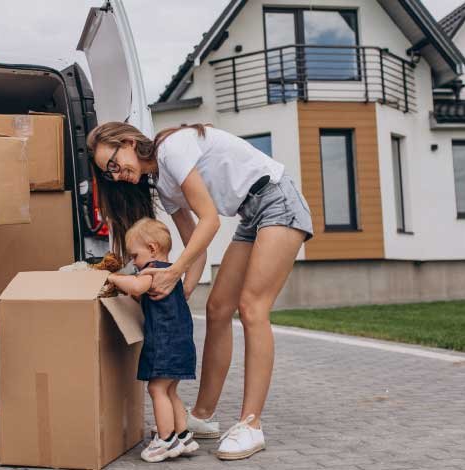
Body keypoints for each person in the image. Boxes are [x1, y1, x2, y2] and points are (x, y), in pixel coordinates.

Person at [86, 122, 313, 460]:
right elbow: (197, 244)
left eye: (115, 164)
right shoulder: (162, 185)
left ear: (129, 142)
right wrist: (180, 292)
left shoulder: (172, 149)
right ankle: (203, 417)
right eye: (109, 173)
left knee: (252, 307)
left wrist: (174, 272)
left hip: (277, 200)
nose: (117, 175)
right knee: (218, 308)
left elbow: (210, 221)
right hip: (251, 215)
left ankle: (251, 425)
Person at [107, 218, 199, 463]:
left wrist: (114, 279)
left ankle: (166, 440)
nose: (133, 263)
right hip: (181, 344)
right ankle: (184, 436)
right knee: (170, 390)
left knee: (156, 388)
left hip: (164, 344)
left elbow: (137, 287)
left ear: (152, 248)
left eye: (134, 256)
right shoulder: (171, 274)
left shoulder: (154, 271)